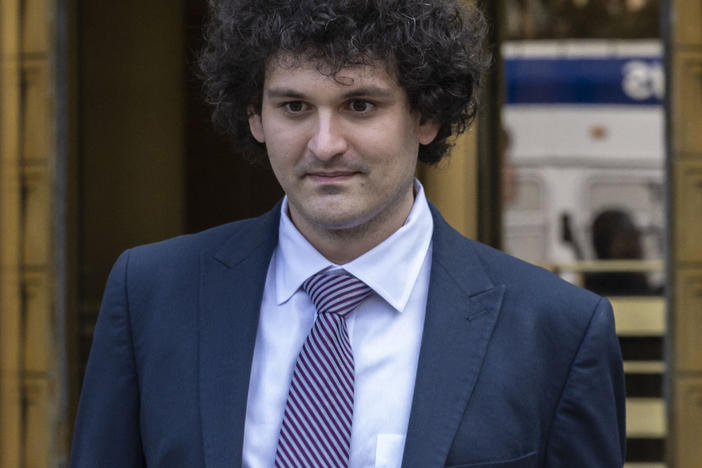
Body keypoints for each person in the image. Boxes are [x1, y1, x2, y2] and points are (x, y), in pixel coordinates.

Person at [70, 1, 626, 467]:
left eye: (360, 105)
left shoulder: (557, 331)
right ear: (255, 117)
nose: (325, 143)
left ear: (427, 115)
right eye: (294, 107)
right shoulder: (151, 294)